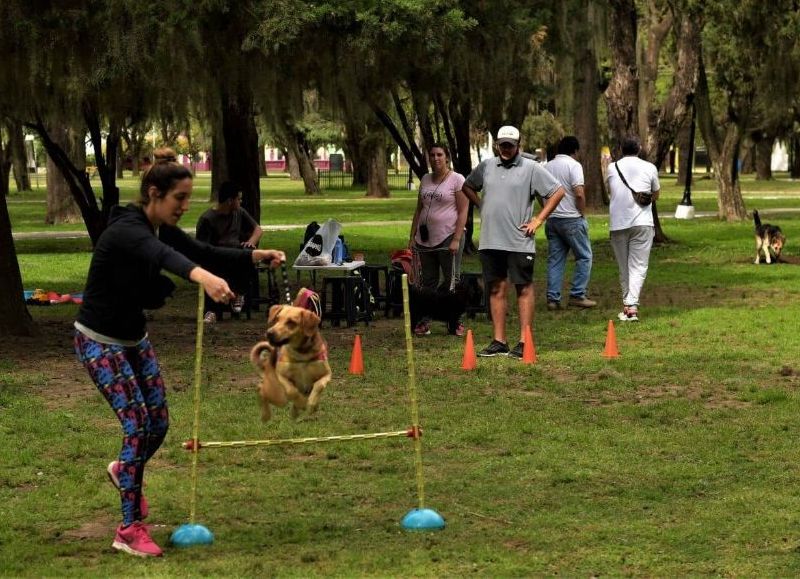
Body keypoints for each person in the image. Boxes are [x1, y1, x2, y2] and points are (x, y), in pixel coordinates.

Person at [73, 148, 285, 557]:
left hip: (133, 337)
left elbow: (199, 251)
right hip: (98, 339)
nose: (186, 207)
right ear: (154, 193)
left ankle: (124, 469)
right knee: (137, 425)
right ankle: (129, 528)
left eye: (189, 198)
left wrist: (255, 254)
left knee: (159, 422)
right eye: (179, 199)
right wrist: (204, 279)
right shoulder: (128, 230)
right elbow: (166, 259)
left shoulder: (157, 227)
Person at [462, 125, 565, 358]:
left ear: (519, 144)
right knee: (496, 288)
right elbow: (467, 186)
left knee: (523, 288)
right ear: (497, 145)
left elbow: (557, 192)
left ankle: (524, 341)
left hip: (519, 240)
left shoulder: (531, 167)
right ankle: (499, 341)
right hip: (491, 240)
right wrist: (481, 205)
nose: (506, 149)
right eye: (502, 145)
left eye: (510, 145)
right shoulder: (487, 166)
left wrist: (538, 219)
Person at [408, 143, 469, 336]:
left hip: (448, 237)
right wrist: (412, 236)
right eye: (432, 155)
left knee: (452, 281)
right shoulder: (425, 178)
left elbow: (464, 210)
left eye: (440, 155)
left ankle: (454, 321)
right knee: (428, 283)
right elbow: (419, 208)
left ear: (447, 157)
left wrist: (457, 239)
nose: (436, 158)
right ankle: (424, 320)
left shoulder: (457, 179)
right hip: (425, 240)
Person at [604, 136, 660, 322]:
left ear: (620, 149)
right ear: (640, 148)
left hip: (618, 223)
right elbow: (656, 194)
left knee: (623, 266)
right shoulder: (650, 167)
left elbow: (610, 190)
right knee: (638, 265)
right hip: (643, 222)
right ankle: (631, 306)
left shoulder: (612, 168)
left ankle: (629, 305)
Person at [195, 180, 263, 323]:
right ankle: (212, 310)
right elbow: (201, 248)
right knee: (215, 268)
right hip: (217, 255)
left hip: (236, 253)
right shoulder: (208, 219)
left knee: (247, 257)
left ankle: (238, 294)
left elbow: (258, 229)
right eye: (239, 199)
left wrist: (250, 242)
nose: (241, 202)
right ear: (230, 201)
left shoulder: (239, 213)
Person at [543, 136, 596, 310]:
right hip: (572, 218)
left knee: (555, 260)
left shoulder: (547, 166)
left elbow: (539, 191)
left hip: (552, 219)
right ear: (575, 151)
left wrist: (546, 208)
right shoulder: (574, 166)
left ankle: (553, 298)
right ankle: (577, 294)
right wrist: (582, 213)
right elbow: (579, 193)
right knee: (584, 256)